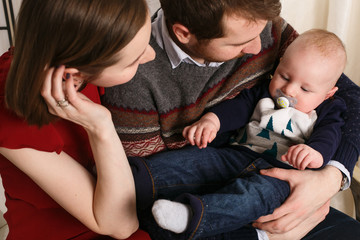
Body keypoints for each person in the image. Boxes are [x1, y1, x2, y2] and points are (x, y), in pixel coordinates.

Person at [102, 0, 360, 239]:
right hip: (205, 199)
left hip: (281, 185)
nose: (258, 49)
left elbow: (350, 100)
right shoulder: (132, 75)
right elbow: (136, 202)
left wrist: (332, 176)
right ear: (184, 33)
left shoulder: (258, 22)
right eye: (240, 44)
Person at [0, 0, 155, 239]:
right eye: (133, 60)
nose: (150, 56)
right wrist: (101, 126)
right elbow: (121, 225)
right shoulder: (9, 109)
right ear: (73, 73)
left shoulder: (71, 57)